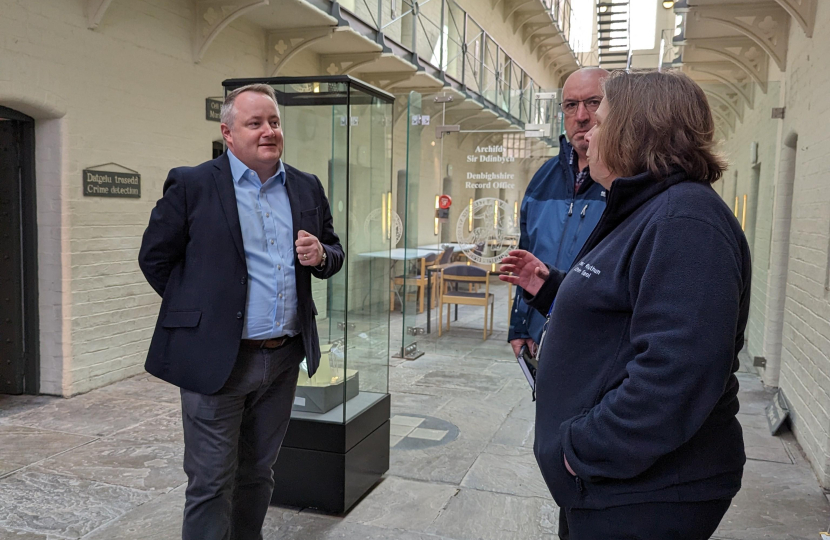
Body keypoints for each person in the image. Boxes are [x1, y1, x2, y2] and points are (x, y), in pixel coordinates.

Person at [500, 70, 750, 539]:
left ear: (635, 131)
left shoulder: (685, 220)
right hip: (615, 484)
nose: (586, 131)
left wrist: (580, 451)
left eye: (601, 119)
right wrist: (552, 286)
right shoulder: (649, 208)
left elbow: (677, 371)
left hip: (645, 491)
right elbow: (624, 307)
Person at [138, 83, 344, 540]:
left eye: (273, 121)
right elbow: (154, 257)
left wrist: (321, 256)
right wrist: (198, 317)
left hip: (283, 357)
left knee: (258, 472)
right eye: (255, 123)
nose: (268, 131)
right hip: (218, 361)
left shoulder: (305, 187)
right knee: (211, 481)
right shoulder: (193, 184)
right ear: (228, 133)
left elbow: (334, 251)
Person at [508, 67, 609, 359]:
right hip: (544, 336)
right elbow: (525, 259)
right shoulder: (541, 180)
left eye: (593, 102)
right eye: (570, 105)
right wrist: (520, 325)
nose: (581, 116)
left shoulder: (623, 181)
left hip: (597, 343)